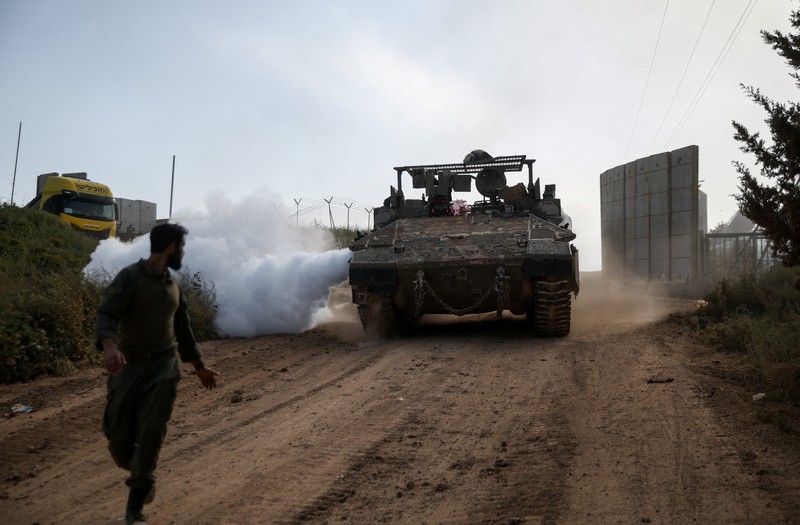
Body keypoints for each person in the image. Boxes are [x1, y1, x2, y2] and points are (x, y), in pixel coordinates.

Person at [95, 222, 218, 525]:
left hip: (164, 366)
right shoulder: (131, 277)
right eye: (182, 247)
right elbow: (107, 312)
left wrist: (199, 367)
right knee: (118, 437)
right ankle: (142, 475)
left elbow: (183, 330)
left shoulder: (174, 286)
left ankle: (135, 507)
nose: (183, 252)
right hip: (129, 365)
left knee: (151, 429)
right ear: (172, 247)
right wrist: (110, 347)